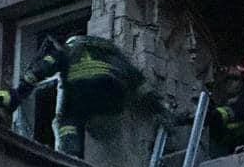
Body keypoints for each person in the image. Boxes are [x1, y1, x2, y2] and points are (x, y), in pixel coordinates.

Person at [12, 34, 168, 157]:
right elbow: (140, 83)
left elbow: (39, 70)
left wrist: (18, 92)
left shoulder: (65, 51)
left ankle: (70, 155)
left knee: (65, 119)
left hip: (83, 93)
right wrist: (161, 110)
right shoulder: (110, 52)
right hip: (112, 97)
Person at [205, 65, 244, 154]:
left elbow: (232, 112)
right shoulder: (223, 98)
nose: (230, 82)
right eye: (228, 78)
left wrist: (212, 115)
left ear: (243, 82)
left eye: (235, 79)